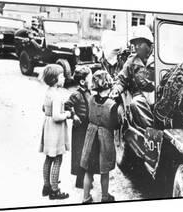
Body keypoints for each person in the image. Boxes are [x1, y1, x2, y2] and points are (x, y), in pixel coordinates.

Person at [80, 70, 121, 203]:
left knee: (88, 170)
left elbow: (88, 116)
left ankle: (85, 197)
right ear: (108, 85)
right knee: (105, 170)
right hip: (104, 140)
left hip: (91, 138)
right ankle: (104, 196)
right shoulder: (112, 105)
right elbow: (115, 125)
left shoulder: (90, 99)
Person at [109, 25, 155, 136]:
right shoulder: (131, 61)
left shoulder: (158, 58)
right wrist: (117, 89)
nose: (136, 47)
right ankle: (150, 130)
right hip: (140, 94)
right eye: (135, 44)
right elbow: (122, 79)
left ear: (149, 43)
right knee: (135, 103)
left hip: (156, 93)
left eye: (140, 44)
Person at [39, 64, 71, 200]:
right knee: (57, 158)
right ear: (54, 80)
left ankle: (46, 186)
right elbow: (57, 116)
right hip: (56, 130)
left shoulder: (48, 92)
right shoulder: (57, 96)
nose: (64, 78)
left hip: (48, 127)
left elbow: (43, 108)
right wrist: (67, 114)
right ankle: (54, 190)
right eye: (62, 76)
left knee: (48, 158)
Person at [64, 66, 93, 189]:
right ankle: (80, 180)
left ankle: (86, 178)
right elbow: (67, 106)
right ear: (82, 82)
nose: (92, 82)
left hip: (88, 126)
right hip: (80, 128)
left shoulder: (89, 92)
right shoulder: (76, 94)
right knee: (80, 152)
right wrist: (74, 115)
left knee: (88, 152)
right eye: (90, 79)